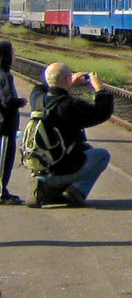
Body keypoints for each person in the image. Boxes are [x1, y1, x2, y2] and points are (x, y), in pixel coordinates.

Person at [26, 62, 114, 208]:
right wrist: (99, 89)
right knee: (101, 155)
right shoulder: (71, 105)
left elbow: (40, 87)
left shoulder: (37, 100)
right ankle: (75, 191)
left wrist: (65, 82)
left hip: (41, 165)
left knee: (86, 148)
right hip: (61, 168)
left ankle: (43, 184)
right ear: (67, 79)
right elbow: (102, 112)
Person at [0, 41, 27, 204]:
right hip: (4, 125)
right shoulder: (5, 76)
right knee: (4, 159)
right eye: (12, 53)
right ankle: (1, 193)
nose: (14, 56)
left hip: (3, 124)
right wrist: (20, 102)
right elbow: (6, 101)